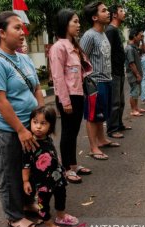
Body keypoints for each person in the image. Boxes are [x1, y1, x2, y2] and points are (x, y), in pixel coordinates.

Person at [0, 11, 44, 227]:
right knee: (9, 173)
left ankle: (27, 204)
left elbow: (36, 88)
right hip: (8, 130)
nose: (22, 32)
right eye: (16, 28)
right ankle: (14, 216)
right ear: (1, 32)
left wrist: (39, 119)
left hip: (29, 126)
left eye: (22, 28)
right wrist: (19, 129)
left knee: (28, 167)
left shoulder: (24, 58)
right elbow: (0, 100)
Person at [49, 8, 92, 184]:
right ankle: (66, 168)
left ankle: (73, 165)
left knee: (73, 132)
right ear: (65, 24)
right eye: (74, 21)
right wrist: (65, 101)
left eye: (78, 21)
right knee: (67, 132)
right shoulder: (58, 47)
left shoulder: (74, 45)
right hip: (68, 96)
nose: (78, 24)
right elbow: (58, 77)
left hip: (78, 93)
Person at [22, 106, 78, 227]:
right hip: (42, 182)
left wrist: (59, 166)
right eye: (35, 122)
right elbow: (26, 165)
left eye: (43, 123)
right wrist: (25, 181)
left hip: (57, 177)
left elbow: (52, 152)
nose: (38, 127)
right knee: (43, 203)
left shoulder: (48, 138)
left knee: (61, 195)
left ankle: (61, 216)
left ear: (51, 126)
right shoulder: (30, 143)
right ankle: (49, 225)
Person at [80, 1, 120, 161]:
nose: (108, 13)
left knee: (101, 114)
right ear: (95, 17)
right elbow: (81, 58)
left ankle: (102, 140)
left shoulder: (102, 33)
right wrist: (86, 81)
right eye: (104, 11)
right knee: (92, 116)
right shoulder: (89, 36)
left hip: (107, 80)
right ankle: (93, 147)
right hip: (95, 83)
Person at [106, 4, 131, 139]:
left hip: (119, 71)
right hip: (114, 72)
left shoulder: (116, 30)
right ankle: (112, 129)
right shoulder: (110, 30)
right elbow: (107, 52)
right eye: (121, 11)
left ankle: (119, 124)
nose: (124, 13)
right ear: (114, 14)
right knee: (114, 102)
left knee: (121, 101)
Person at [125, 29, 145, 117]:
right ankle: (133, 110)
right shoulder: (129, 48)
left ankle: (136, 108)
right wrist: (137, 75)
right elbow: (131, 63)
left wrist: (142, 40)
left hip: (137, 73)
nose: (140, 37)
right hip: (133, 73)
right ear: (134, 36)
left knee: (137, 91)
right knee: (134, 91)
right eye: (139, 36)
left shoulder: (134, 47)